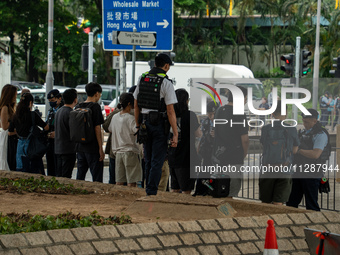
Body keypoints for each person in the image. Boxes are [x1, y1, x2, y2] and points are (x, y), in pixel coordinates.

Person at [133, 53, 178, 196]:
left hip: (145, 123)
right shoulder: (166, 82)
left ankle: (148, 190)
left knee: (148, 159)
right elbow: (170, 111)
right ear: (165, 66)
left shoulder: (143, 78)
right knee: (157, 161)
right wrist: (175, 133)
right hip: (159, 125)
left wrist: (138, 124)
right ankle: (151, 191)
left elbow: (136, 103)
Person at [287, 109, 331, 211]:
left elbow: (315, 154)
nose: (304, 124)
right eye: (303, 121)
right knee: (291, 202)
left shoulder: (320, 134)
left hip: (312, 173)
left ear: (315, 121)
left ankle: (313, 226)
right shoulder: (303, 132)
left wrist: (299, 151)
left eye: (307, 122)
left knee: (311, 205)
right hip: (299, 172)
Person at [212, 86, 249, 197]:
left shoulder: (219, 111)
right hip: (234, 158)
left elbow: (215, 133)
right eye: (245, 98)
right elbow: (245, 140)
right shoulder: (240, 114)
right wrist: (243, 154)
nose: (246, 101)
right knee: (231, 193)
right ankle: (228, 214)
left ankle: (219, 213)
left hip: (218, 158)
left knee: (219, 190)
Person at [259, 102, 299, 205]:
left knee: (265, 202)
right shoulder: (291, 129)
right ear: (285, 112)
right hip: (285, 169)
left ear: (272, 113)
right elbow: (294, 150)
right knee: (279, 202)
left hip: (267, 169)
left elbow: (264, 146)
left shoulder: (265, 129)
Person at [168, 89, 201, 194]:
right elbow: (198, 133)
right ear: (186, 101)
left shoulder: (169, 114)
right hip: (187, 157)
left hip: (172, 156)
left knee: (174, 188)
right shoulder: (190, 115)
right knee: (186, 190)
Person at [103, 86, 137, 185]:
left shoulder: (115, 114)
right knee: (131, 180)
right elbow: (137, 131)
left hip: (115, 151)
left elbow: (106, 127)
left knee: (116, 179)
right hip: (130, 151)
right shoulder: (133, 116)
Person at [8, 93, 49, 174]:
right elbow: (46, 127)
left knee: (21, 168)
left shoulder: (15, 116)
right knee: (34, 167)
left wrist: (19, 132)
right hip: (32, 144)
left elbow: (10, 132)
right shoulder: (33, 115)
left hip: (20, 144)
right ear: (30, 103)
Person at [108, 93, 142, 187]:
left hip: (118, 152)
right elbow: (137, 131)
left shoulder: (115, 117)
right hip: (130, 152)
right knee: (132, 182)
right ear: (129, 104)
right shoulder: (131, 119)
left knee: (119, 181)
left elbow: (110, 129)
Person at [75, 82, 104, 182]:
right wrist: (100, 148)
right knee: (97, 177)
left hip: (80, 146)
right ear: (96, 93)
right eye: (100, 94)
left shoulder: (78, 107)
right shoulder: (95, 107)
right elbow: (97, 128)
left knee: (80, 176)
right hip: (92, 148)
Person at [194, 100, 219, 196]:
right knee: (204, 173)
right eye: (209, 114)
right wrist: (199, 150)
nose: (211, 116)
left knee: (214, 175)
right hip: (207, 153)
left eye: (213, 114)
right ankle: (201, 191)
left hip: (217, 154)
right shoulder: (205, 122)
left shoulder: (223, 123)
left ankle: (212, 191)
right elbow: (202, 137)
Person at [54, 89, 78, 178]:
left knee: (59, 175)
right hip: (68, 149)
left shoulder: (59, 111)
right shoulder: (71, 113)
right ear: (75, 100)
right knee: (66, 176)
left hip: (58, 148)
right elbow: (73, 132)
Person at [45, 89, 63, 176]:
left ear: (59, 99)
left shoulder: (63, 110)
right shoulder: (50, 111)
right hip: (50, 142)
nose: (51, 103)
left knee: (58, 168)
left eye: (53, 101)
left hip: (59, 143)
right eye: (49, 101)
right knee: (50, 167)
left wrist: (57, 133)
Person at [0, 84, 17, 170]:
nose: (15, 97)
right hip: (6, 137)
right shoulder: (5, 108)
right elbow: (4, 126)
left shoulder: (10, 107)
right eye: (15, 95)